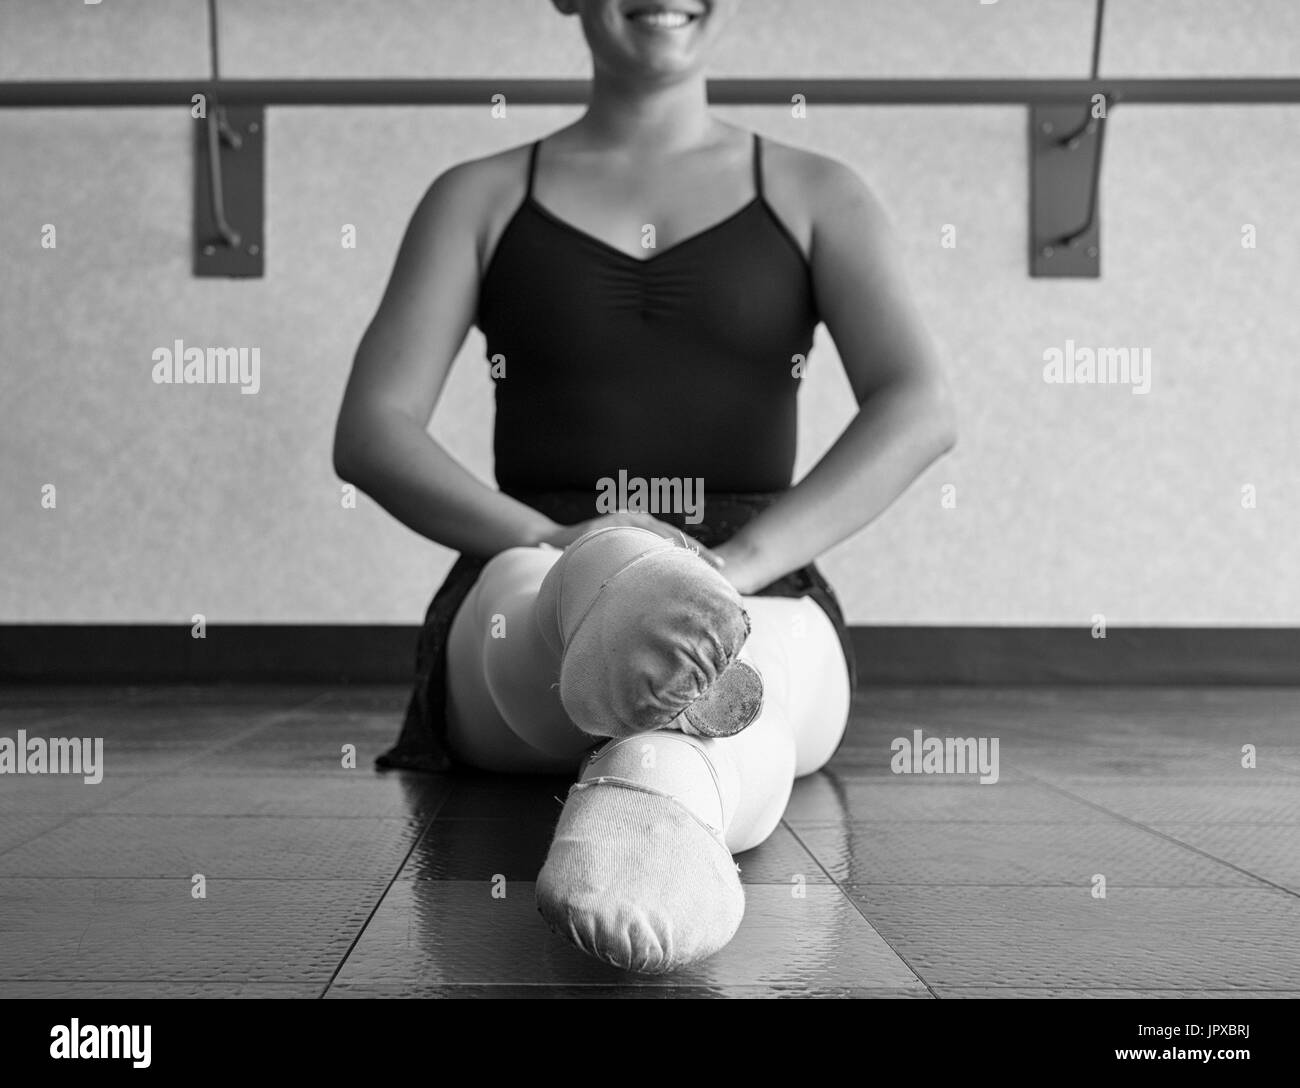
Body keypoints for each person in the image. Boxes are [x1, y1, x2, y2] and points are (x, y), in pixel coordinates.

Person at [333, 0, 956, 973]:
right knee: (618, 623)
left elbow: (918, 405)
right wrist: (552, 537)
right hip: (530, 573)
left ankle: (651, 790)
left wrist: (735, 562)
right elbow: (371, 429)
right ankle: (645, 692)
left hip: (761, 572)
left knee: (756, 663)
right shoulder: (478, 196)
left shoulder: (818, 192)